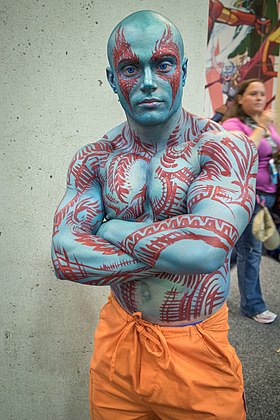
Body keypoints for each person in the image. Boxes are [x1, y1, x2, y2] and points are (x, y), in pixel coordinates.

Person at [52, 11, 257, 419]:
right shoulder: (95, 158)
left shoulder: (222, 148)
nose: (148, 81)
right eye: (130, 68)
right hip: (119, 341)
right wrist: (171, 248)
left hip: (196, 350)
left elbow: (205, 249)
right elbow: (64, 256)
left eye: (162, 65)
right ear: (113, 79)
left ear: (182, 69)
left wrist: (110, 227)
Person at [222, 78, 279, 324]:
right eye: (253, 93)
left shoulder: (263, 123)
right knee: (251, 251)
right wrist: (263, 126)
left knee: (239, 251)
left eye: (262, 93)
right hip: (251, 198)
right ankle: (253, 305)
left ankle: (209, 286)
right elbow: (241, 152)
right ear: (240, 98)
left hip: (269, 194)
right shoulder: (233, 124)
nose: (259, 98)